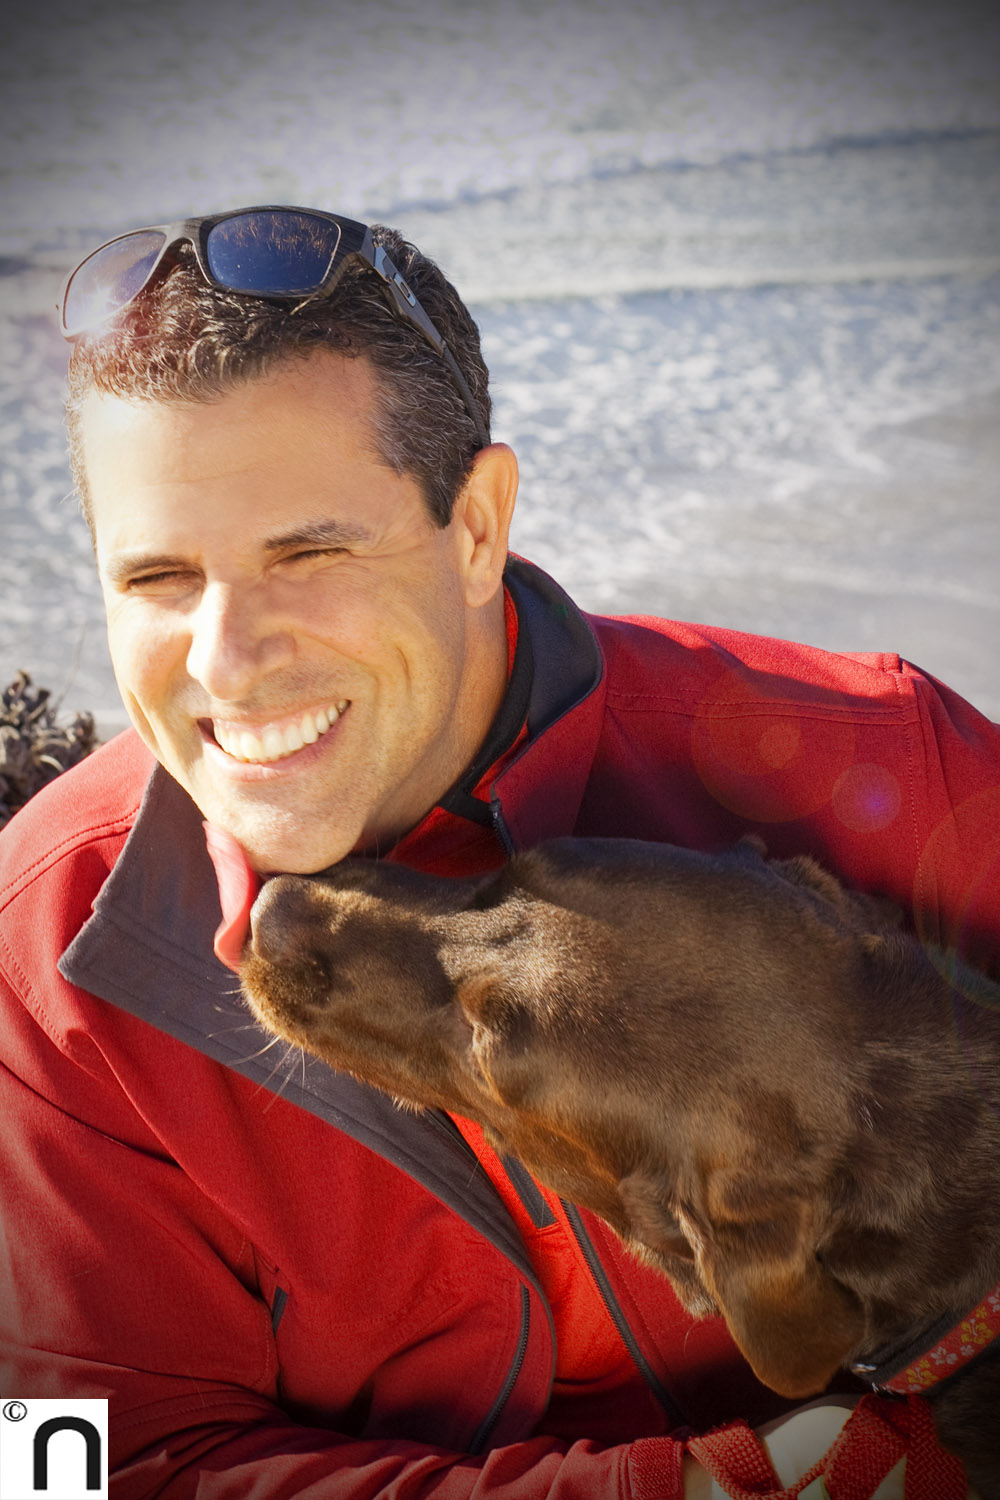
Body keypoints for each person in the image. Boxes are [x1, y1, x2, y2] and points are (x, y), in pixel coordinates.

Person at [0, 205, 997, 1500]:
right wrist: (708, 1486)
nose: (227, 660)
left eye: (312, 551)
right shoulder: (37, 959)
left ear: (478, 523)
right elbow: (51, 1477)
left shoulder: (884, 764)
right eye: (157, 579)